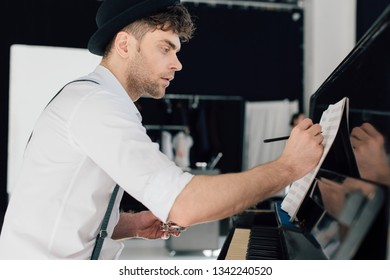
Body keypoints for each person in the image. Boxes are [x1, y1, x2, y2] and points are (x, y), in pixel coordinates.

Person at [0, 0, 324, 259]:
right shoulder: (97, 104)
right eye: (165, 48)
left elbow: (60, 212)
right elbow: (185, 204)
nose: (177, 64)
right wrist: (288, 167)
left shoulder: (97, 99)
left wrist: (129, 224)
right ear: (125, 45)